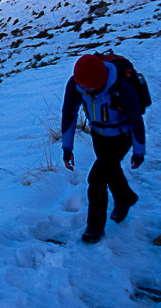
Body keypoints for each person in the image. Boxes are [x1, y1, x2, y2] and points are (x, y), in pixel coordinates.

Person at [61, 53, 146, 243]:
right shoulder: (76, 84)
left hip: (121, 138)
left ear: (99, 81)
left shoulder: (121, 88)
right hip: (99, 136)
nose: (83, 89)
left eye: (87, 86)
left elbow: (136, 121)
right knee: (111, 170)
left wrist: (138, 152)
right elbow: (69, 116)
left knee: (96, 178)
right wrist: (67, 149)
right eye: (81, 84)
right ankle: (125, 198)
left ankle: (95, 227)